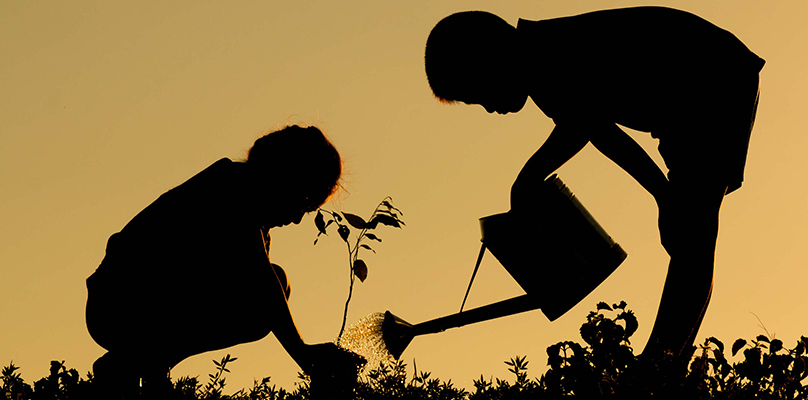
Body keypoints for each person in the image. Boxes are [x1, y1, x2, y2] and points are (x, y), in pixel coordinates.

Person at [424, 7, 764, 359]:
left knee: (692, 230)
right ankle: (667, 364)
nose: (488, 108)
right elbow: (593, 125)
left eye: (477, 93)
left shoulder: (546, 55)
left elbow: (587, 125)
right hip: (697, 92)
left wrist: (663, 195)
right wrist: (662, 195)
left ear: (487, 59)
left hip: (712, 79)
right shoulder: (543, 56)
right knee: (690, 233)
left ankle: (658, 366)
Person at [86, 125, 363, 398]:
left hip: (133, 305)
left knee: (272, 287)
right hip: (116, 307)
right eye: (303, 201)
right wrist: (304, 354)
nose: (298, 218)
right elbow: (260, 282)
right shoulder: (232, 190)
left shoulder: (249, 206)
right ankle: (135, 363)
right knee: (264, 297)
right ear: (285, 176)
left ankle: (137, 365)